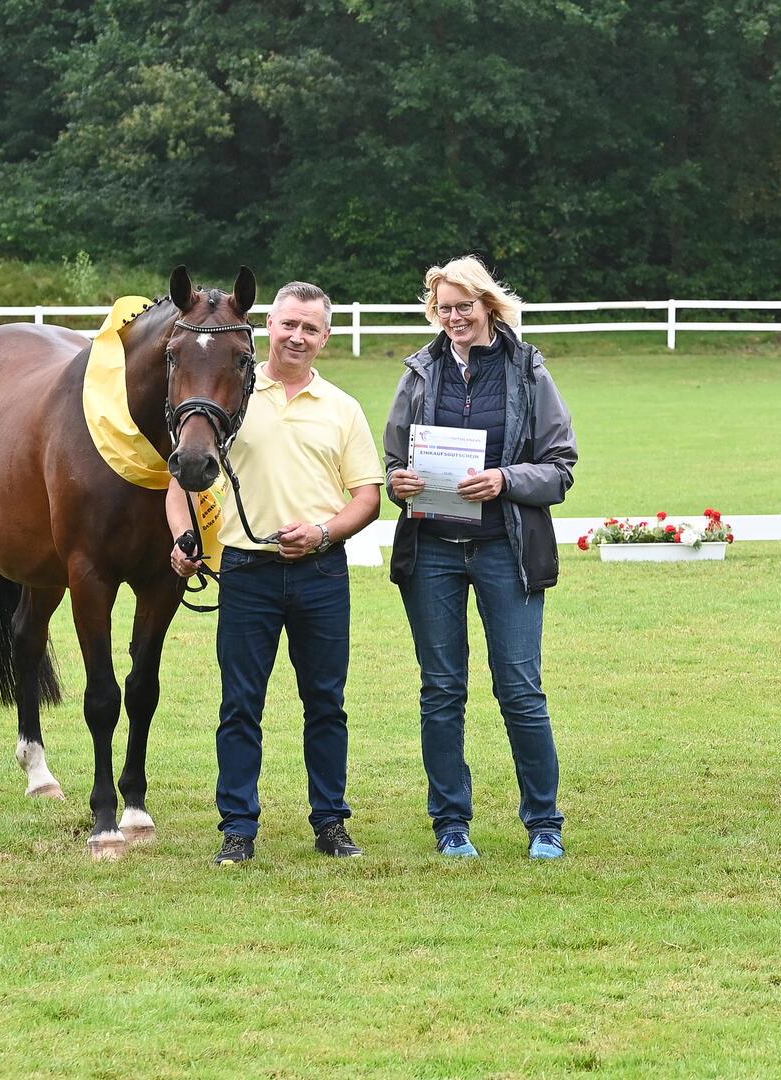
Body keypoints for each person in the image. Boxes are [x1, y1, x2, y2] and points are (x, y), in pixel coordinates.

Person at [167, 281, 384, 866]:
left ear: (325, 337)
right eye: (289, 323)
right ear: (270, 326)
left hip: (320, 572)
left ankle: (331, 821)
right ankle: (238, 826)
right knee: (240, 704)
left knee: (326, 702)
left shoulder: (343, 409)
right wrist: (182, 539)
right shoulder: (232, 395)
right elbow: (179, 482)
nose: (298, 335)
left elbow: (367, 496)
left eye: (310, 327)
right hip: (245, 571)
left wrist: (323, 533)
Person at [385, 257, 578, 859]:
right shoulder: (419, 373)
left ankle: (544, 823)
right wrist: (400, 483)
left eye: (463, 306)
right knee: (441, 690)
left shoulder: (528, 371)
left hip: (506, 550)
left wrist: (504, 479)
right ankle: (450, 824)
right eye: (443, 308)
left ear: (489, 305)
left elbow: (560, 467)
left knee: (520, 688)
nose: (453, 317)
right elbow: (391, 463)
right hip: (433, 552)